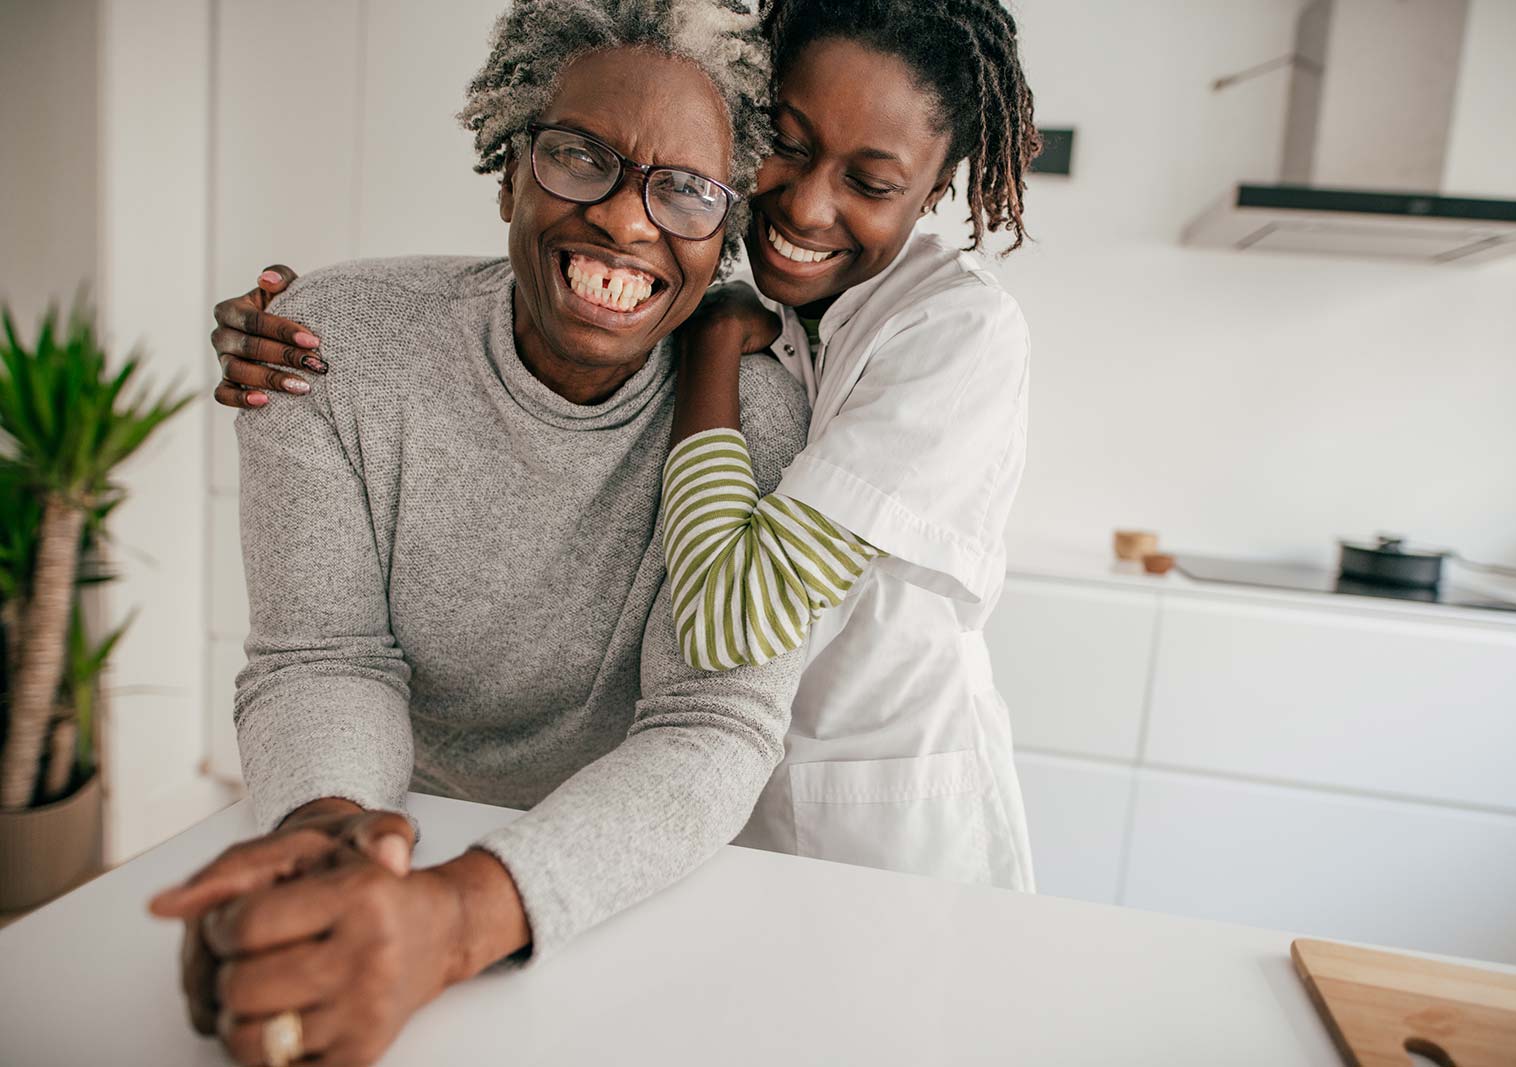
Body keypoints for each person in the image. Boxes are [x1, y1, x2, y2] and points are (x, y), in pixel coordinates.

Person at [210, 0, 1042, 892]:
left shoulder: (948, 334)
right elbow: (324, 655)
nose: (805, 203)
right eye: (790, 147)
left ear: (935, 190)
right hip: (675, 822)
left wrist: (713, 354)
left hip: (878, 814)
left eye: (872, 183)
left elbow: (731, 623)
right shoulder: (754, 307)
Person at [149, 3, 810, 1066]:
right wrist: (326, 842)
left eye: (684, 190)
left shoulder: (758, 414)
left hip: (624, 881)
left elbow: (709, 726)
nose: (629, 222)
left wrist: (455, 921)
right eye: (579, 156)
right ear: (510, 173)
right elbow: (325, 654)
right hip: (393, 821)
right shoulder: (330, 345)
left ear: (720, 235)